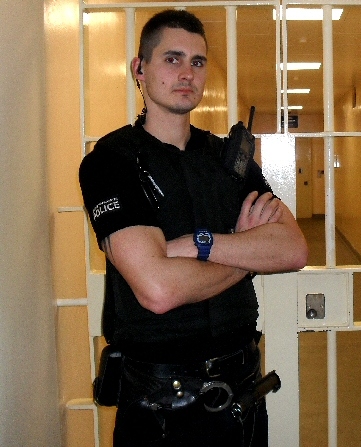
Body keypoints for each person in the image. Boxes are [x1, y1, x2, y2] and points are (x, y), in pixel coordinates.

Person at [79, 9, 307, 447]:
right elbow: (158, 289)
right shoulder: (112, 162)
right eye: (172, 59)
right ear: (139, 70)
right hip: (159, 408)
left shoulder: (229, 160)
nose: (187, 73)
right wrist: (244, 252)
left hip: (241, 395)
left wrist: (199, 245)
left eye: (197, 62)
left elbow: (293, 249)